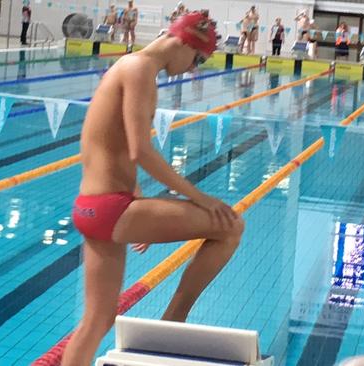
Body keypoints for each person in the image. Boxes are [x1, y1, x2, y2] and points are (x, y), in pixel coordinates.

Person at [61, 12, 243, 366]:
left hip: (91, 208)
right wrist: (199, 197)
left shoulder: (128, 67)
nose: (193, 69)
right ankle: (172, 324)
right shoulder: (141, 69)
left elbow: (113, 150)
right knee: (231, 226)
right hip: (112, 209)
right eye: (198, 59)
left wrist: (141, 202)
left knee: (96, 321)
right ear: (185, 41)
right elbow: (140, 150)